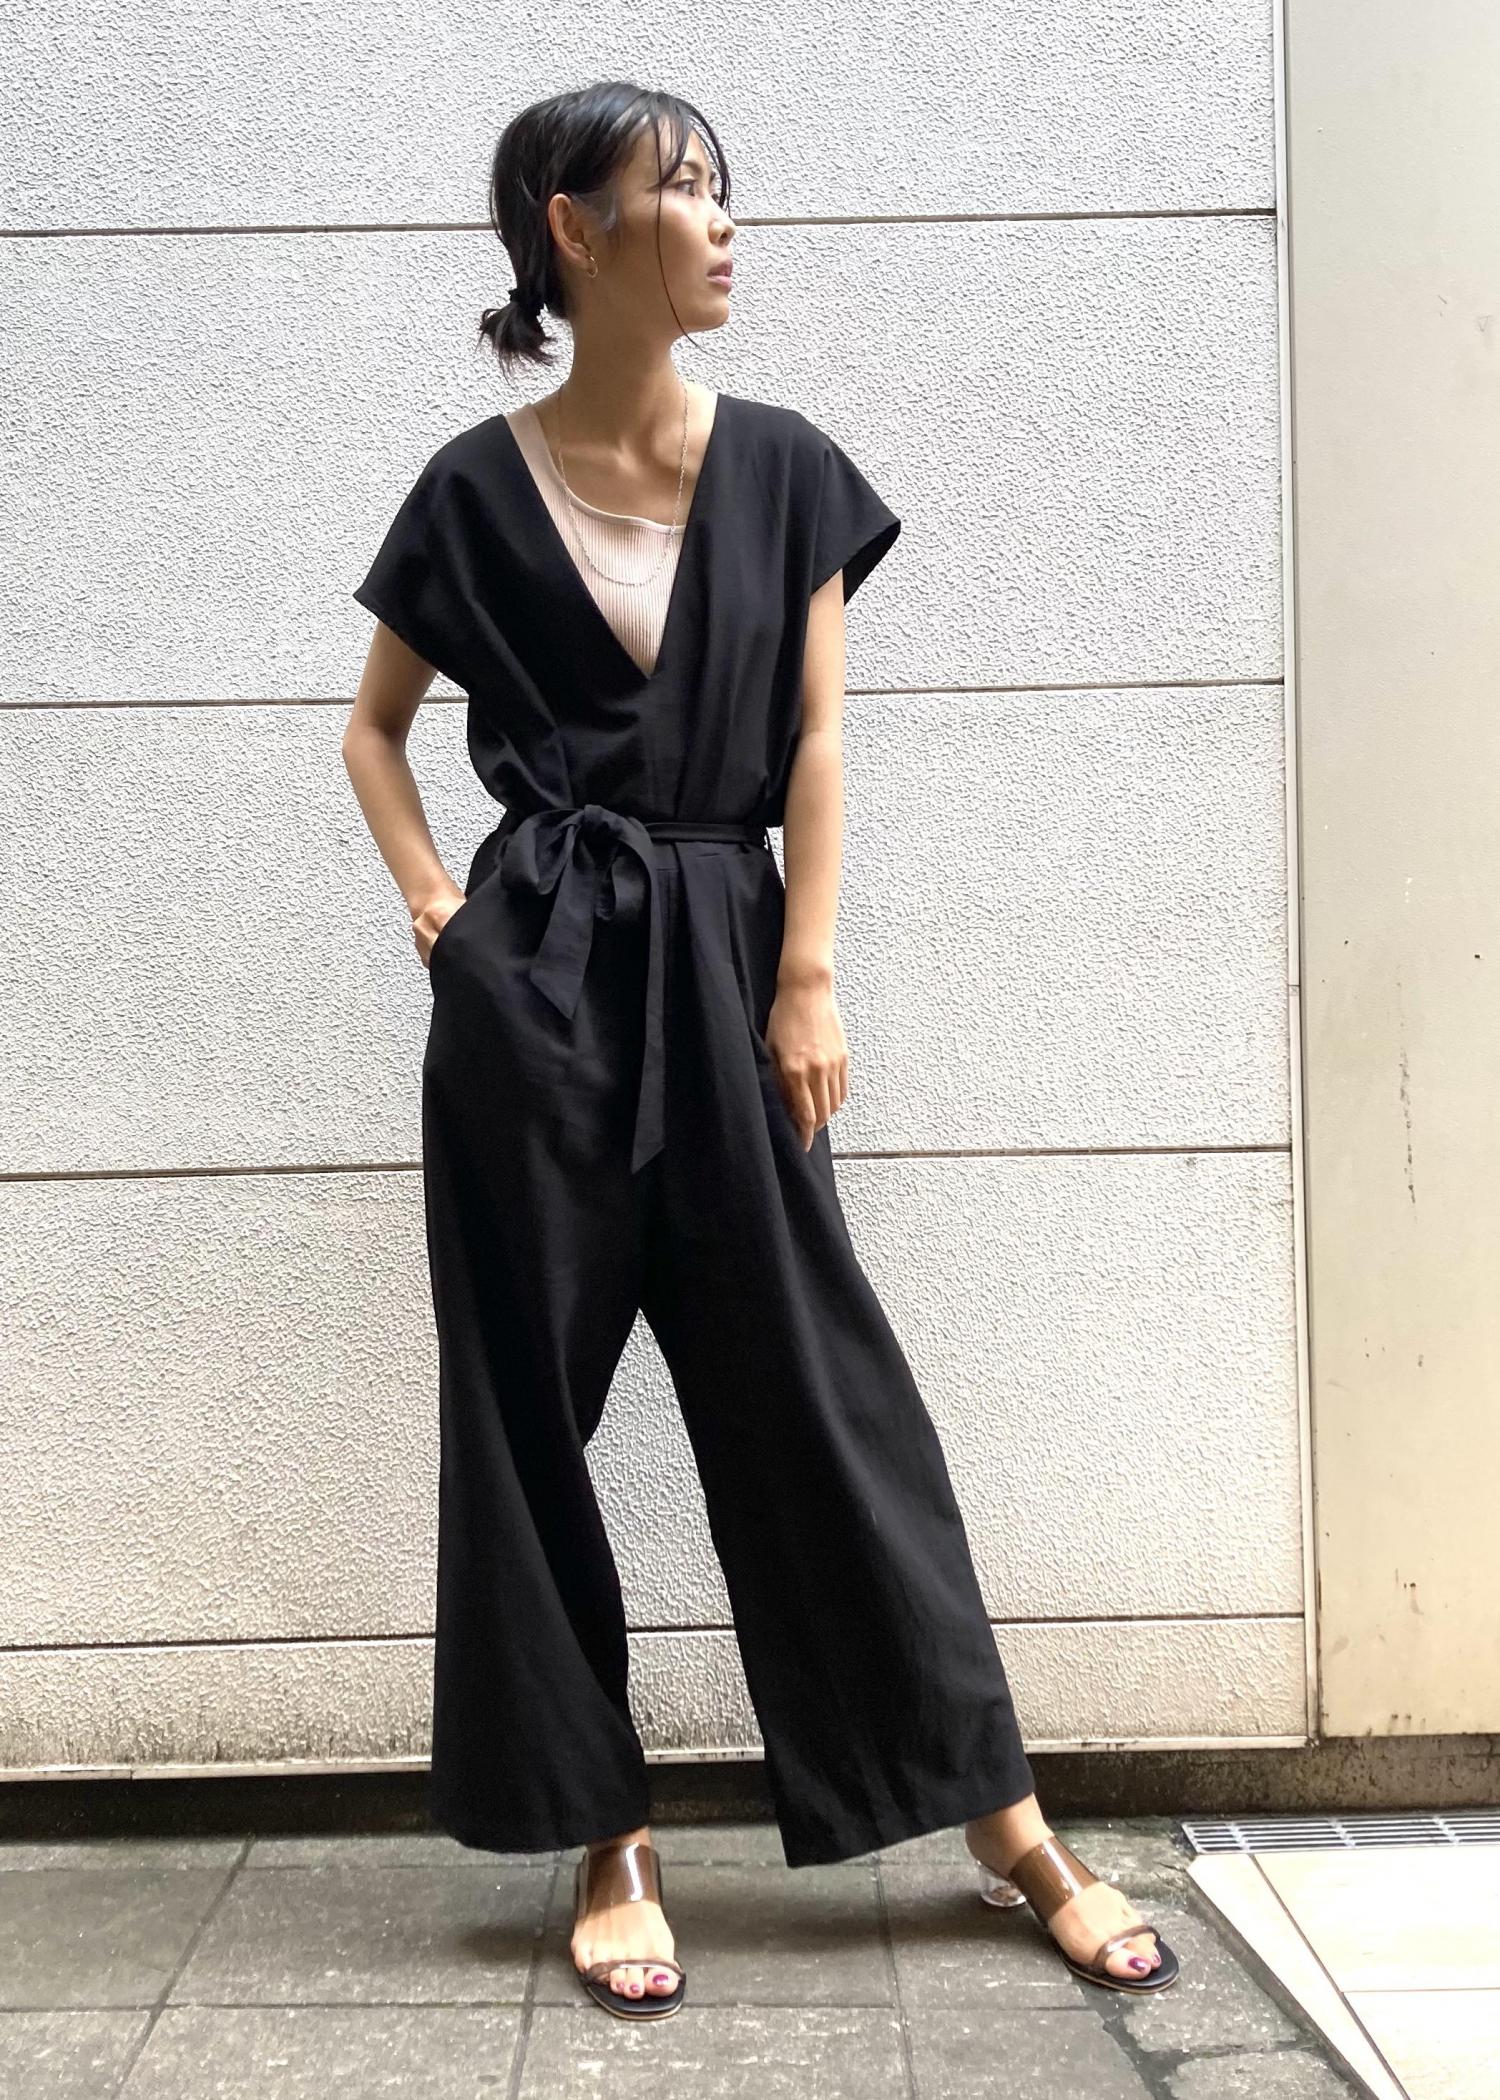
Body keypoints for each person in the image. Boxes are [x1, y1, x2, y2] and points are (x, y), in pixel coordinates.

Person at [342, 80, 1178, 2022]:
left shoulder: (789, 469)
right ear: (574, 227)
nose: (723, 223)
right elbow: (372, 728)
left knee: (823, 1399)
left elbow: (814, 741)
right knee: (522, 1418)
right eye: (684, 190)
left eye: (724, 190)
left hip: (731, 965)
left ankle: (1003, 1819)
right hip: (539, 990)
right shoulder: (470, 490)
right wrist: (443, 915)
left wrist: (808, 974)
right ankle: (606, 1835)